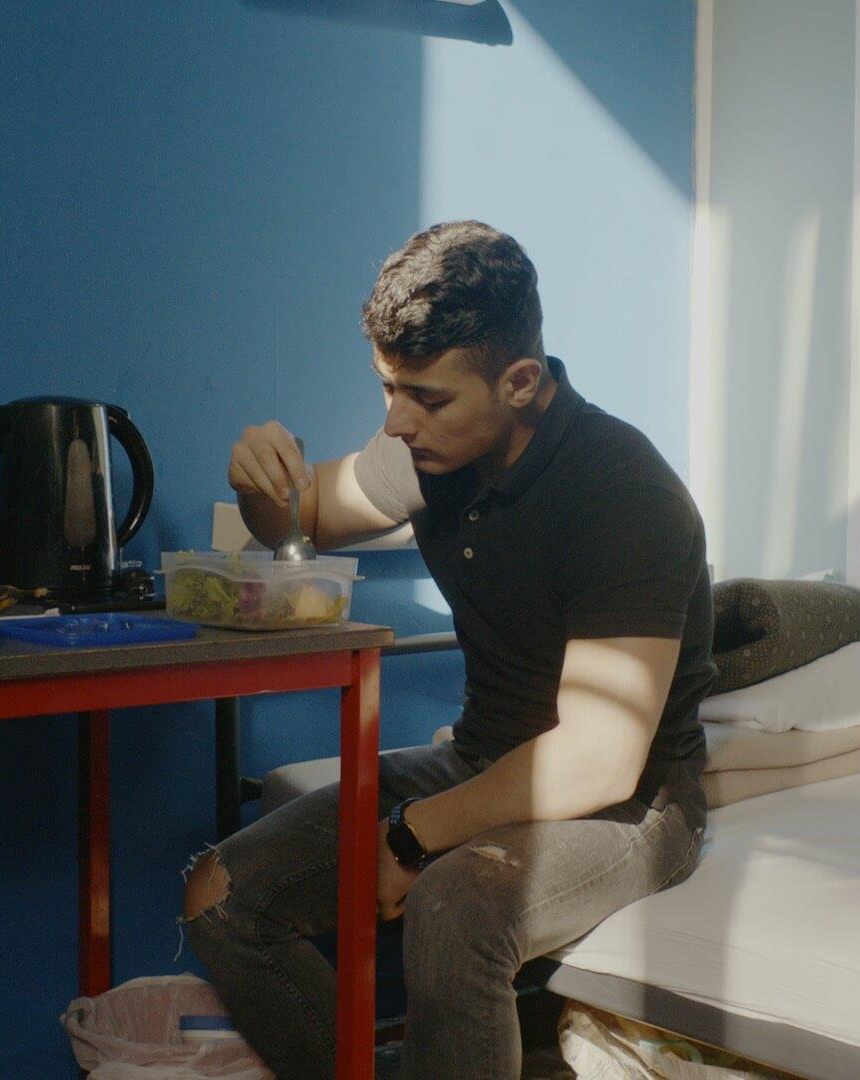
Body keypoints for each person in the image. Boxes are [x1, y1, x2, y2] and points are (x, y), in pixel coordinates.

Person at [182, 220, 715, 1080]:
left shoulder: (625, 493)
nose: (396, 422)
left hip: (634, 805)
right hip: (483, 760)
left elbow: (601, 759)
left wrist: (412, 837)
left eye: (425, 397)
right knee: (221, 895)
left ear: (521, 381)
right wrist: (259, 484)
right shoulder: (428, 456)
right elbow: (302, 514)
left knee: (452, 906)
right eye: (388, 388)